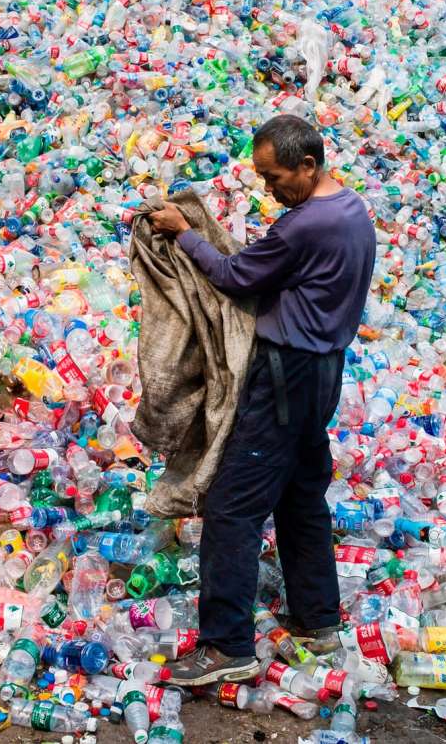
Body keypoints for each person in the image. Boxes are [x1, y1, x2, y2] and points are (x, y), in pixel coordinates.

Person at [147, 114, 376, 685]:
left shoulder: (305, 225)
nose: (270, 189)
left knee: (233, 508)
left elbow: (234, 276)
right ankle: (319, 620)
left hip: (284, 378)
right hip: (324, 372)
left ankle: (227, 646)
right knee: (301, 498)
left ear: (308, 164)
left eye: (276, 177)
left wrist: (185, 232)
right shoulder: (352, 209)